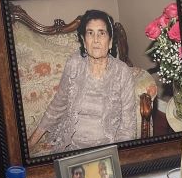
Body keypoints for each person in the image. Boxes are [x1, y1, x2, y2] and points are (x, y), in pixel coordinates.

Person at [28, 9, 137, 155]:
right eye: (90, 33)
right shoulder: (74, 64)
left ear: (110, 42)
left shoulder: (123, 72)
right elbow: (57, 105)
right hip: (70, 146)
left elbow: (128, 127)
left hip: (106, 148)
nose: (96, 40)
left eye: (101, 33)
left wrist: (115, 158)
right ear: (84, 41)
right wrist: (30, 143)